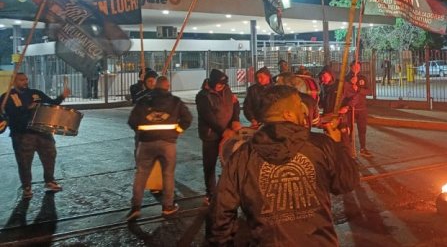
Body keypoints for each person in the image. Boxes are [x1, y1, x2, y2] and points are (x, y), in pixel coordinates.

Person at [208, 85, 359, 246]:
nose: (305, 112)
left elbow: (220, 216)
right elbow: (347, 182)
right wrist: (339, 144)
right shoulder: (321, 145)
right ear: (288, 114)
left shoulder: (242, 156)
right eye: (300, 106)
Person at [126, 76, 192, 220]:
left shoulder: (144, 101)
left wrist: (142, 132)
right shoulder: (175, 101)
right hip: (168, 143)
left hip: (146, 143)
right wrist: (177, 132)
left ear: (155, 86)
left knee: (141, 174)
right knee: (168, 174)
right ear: (167, 86)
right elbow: (188, 119)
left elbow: (131, 121)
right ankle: (168, 207)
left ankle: (135, 207)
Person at [1, 72, 71, 199]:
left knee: (50, 156)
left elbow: (52, 104)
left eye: (26, 79)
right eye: (22, 80)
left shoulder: (36, 93)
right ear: (14, 81)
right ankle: (27, 188)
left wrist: (62, 96)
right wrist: (27, 108)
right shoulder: (7, 97)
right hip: (22, 134)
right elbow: (10, 114)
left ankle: (49, 181)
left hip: (42, 132)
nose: (26, 81)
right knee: (24, 162)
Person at [196, 69, 242, 204]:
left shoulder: (227, 90)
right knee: (209, 165)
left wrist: (235, 119)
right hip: (211, 135)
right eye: (219, 85)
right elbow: (208, 117)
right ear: (212, 82)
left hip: (228, 135)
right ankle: (211, 193)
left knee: (229, 163)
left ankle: (229, 190)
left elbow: (236, 104)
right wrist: (222, 131)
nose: (221, 87)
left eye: (223, 85)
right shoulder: (203, 96)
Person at [343, 61, 372, 158]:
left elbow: (368, 91)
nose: (356, 68)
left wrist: (358, 89)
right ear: (350, 67)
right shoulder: (346, 78)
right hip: (351, 108)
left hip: (362, 108)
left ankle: (363, 148)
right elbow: (344, 92)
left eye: (358, 66)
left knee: (362, 129)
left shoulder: (363, 78)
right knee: (350, 129)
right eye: (354, 66)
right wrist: (350, 84)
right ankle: (350, 149)